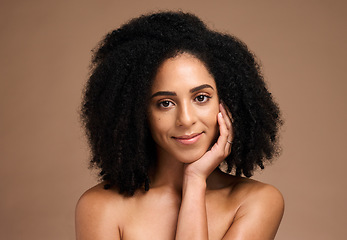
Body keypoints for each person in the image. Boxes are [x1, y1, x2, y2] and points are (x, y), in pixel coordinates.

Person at [75, 11, 284, 240]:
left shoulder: (257, 202)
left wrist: (194, 181)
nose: (185, 119)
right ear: (137, 113)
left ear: (227, 103)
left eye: (201, 98)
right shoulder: (99, 207)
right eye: (165, 103)